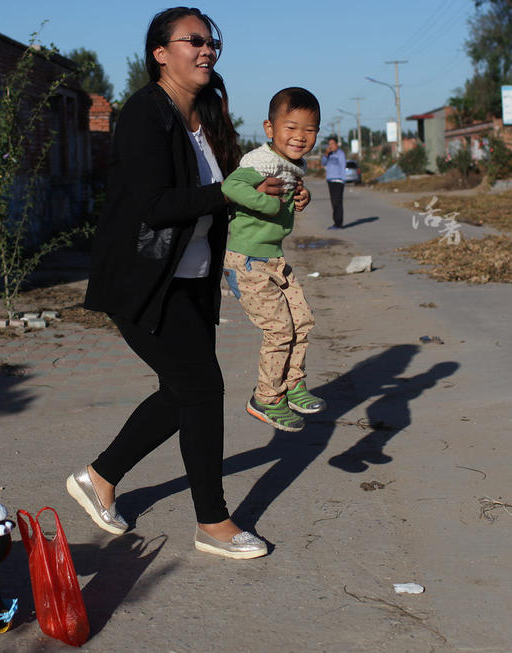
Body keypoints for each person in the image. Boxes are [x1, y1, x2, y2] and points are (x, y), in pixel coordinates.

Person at [70, 7, 307, 560]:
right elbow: (157, 206)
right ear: (160, 52)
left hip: (194, 280)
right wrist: (228, 194)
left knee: (181, 392)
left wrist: (279, 194)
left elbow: (238, 188)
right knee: (202, 389)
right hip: (143, 282)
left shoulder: (205, 117)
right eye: (194, 40)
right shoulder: (143, 115)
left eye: (212, 41)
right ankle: (213, 522)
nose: (207, 50)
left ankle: (98, 478)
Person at [221, 87, 328, 433]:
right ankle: (266, 397)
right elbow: (231, 187)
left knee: (303, 319)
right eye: (291, 127)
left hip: (272, 259)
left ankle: (293, 385)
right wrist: (270, 205)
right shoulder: (260, 162)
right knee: (279, 329)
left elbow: (288, 194)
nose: (300, 137)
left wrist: (301, 196)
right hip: (247, 261)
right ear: (270, 128)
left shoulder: (291, 165)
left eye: (309, 130)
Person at [321, 137, 346, 229]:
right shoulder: (329, 154)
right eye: (329, 144)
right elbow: (323, 163)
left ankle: (339, 223)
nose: (330, 146)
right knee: (333, 202)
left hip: (338, 181)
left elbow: (343, 166)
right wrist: (326, 154)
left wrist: (343, 180)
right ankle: (336, 222)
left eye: (332, 143)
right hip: (330, 181)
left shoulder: (340, 154)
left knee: (337, 202)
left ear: (336, 144)